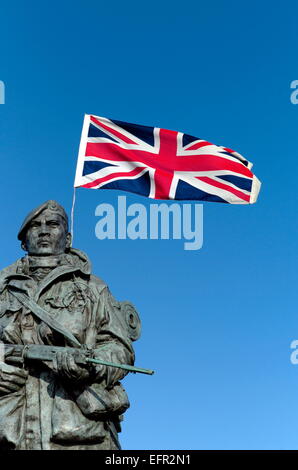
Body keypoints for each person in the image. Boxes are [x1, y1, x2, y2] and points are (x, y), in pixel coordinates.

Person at [0, 200, 140, 450]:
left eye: (53, 224)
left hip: (77, 430)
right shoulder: (2, 290)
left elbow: (120, 349)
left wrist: (90, 366)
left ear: (68, 237)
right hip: (12, 427)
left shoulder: (93, 288)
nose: (44, 231)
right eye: (35, 226)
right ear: (23, 241)